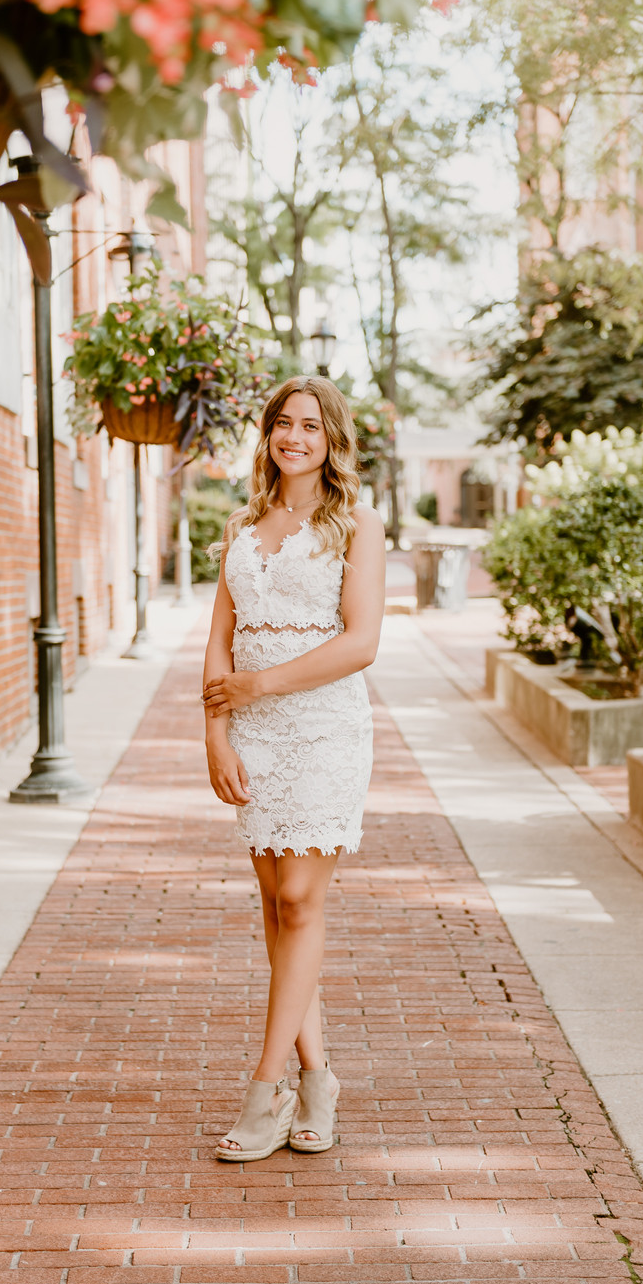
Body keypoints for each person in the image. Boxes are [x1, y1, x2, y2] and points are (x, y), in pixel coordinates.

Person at [202, 375, 385, 1161]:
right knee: (279, 907)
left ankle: (266, 1088)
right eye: (283, 422)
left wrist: (261, 684)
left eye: (311, 425)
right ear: (268, 433)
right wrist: (217, 734)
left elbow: (361, 643)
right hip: (254, 735)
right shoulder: (243, 525)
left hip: (324, 729)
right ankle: (319, 1080)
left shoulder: (358, 524)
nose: (295, 437)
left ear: (331, 439)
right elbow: (219, 639)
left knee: (302, 899)